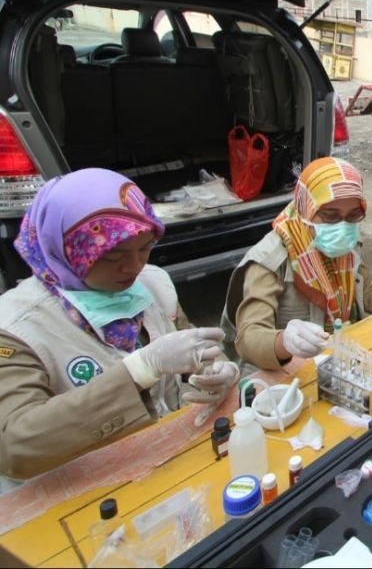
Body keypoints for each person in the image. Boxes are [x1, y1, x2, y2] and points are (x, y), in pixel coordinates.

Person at [0, 169, 236, 486]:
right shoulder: (17, 327)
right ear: (64, 247)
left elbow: (190, 347)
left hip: (167, 469)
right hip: (83, 496)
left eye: (145, 248)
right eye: (113, 255)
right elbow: (15, 446)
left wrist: (218, 372)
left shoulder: (152, 285)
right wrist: (138, 370)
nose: (134, 266)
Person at [223, 157, 372, 370]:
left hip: (338, 361)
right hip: (289, 374)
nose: (342, 227)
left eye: (353, 215)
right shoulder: (270, 260)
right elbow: (249, 337)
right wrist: (286, 342)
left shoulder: (346, 246)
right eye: (330, 216)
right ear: (305, 208)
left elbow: (365, 293)